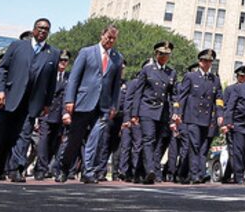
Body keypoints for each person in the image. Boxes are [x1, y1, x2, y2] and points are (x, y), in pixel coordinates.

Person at [0, 18, 62, 182]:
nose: (43, 31)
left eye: (46, 29)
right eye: (40, 28)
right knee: (5, 135)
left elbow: (51, 82)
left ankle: (16, 169)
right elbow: (3, 69)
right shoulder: (18, 46)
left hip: (33, 102)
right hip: (11, 97)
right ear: (34, 29)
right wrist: (0, 91)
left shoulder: (53, 53)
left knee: (24, 135)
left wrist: (47, 103)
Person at [57, 24, 124, 184]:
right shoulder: (86, 52)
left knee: (95, 139)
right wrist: (69, 100)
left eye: (113, 39)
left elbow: (116, 85)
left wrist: (114, 105)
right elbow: (74, 78)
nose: (110, 41)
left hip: (103, 105)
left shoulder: (117, 58)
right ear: (102, 35)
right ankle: (64, 168)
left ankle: (88, 171)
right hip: (83, 102)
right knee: (75, 139)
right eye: (108, 37)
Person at [171, 49, 224, 184]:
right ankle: (195, 175)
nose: (207, 64)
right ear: (200, 62)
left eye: (210, 61)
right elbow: (181, 96)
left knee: (201, 147)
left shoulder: (215, 79)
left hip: (206, 119)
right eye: (205, 61)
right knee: (194, 145)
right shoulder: (191, 76)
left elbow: (218, 98)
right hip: (192, 117)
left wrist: (220, 115)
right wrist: (177, 112)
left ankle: (185, 173)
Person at [130, 42, 177, 184]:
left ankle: (139, 173)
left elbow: (174, 95)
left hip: (162, 112)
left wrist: (176, 112)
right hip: (147, 109)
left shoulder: (171, 72)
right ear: (156, 54)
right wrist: (134, 114)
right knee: (148, 139)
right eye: (161, 54)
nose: (164, 57)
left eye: (167, 54)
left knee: (156, 142)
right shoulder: (147, 70)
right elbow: (138, 92)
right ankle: (150, 170)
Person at [35, 52, 71, 179]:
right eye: (61, 60)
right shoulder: (48, 75)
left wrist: (66, 113)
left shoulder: (69, 77)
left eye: (65, 60)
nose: (62, 62)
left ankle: (51, 168)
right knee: (43, 141)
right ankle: (41, 169)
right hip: (46, 112)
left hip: (60, 114)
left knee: (54, 143)